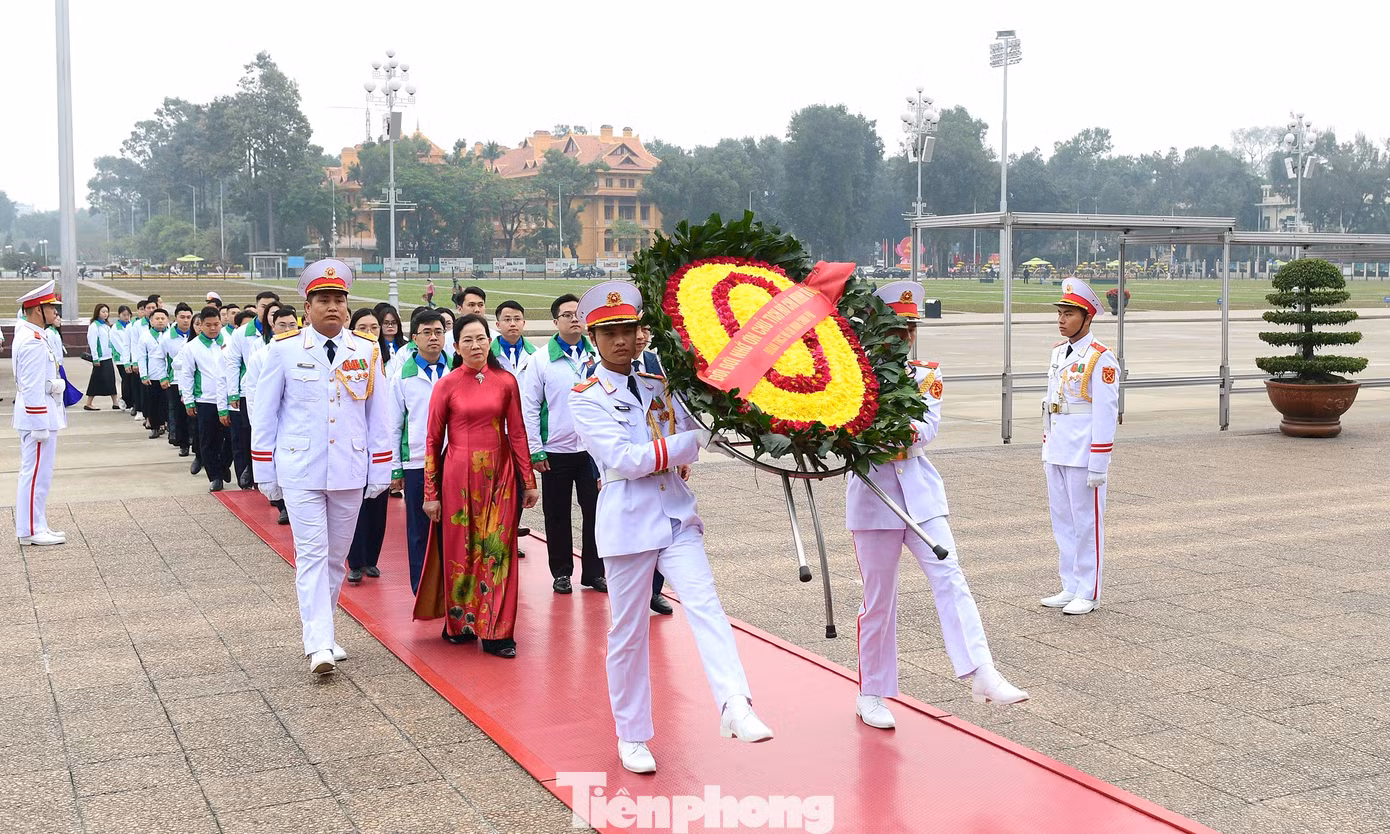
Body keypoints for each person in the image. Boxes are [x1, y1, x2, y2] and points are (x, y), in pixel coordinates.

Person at [569, 281, 772, 774]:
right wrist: (682, 448)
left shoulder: (659, 383)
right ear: (594, 338)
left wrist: (690, 439)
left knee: (706, 605)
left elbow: (692, 428)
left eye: (628, 329)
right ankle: (632, 734)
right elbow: (623, 458)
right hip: (628, 521)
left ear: (641, 332)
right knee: (629, 632)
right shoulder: (587, 396)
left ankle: (735, 704)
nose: (621, 340)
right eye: (609, 332)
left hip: (676, 513)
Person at [848, 282, 1028, 731]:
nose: (906, 335)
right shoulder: (852, 377)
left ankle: (981, 672)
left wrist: (883, 436)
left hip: (921, 495)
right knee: (878, 600)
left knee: (951, 578)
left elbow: (924, 429)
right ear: (877, 326)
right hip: (873, 497)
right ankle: (871, 692)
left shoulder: (925, 374)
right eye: (897, 326)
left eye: (910, 326)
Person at [252, 258, 395, 675]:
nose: (332, 307)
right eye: (323, 300)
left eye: (339, 300)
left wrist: (380, 469)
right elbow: (265, 413)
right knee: (312, 554)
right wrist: (265, 470)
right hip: (301, 467)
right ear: (307, 307)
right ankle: (318, 643)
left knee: (336, 556)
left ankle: (325, 632)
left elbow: (377, 414)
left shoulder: (366, 350)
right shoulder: (284, 349)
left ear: (347, 307)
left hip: (350, 466)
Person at [414, 313, 538, 657]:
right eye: (467, 340)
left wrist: (528, 481)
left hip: (500, 479)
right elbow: (432, 440)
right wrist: (431, 494)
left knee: (498, 553)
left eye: (481, 338)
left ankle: (499, 632)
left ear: (490, 340)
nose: (475, 345)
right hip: (457, 481)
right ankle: (462, 623)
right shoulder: (447, 385)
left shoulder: (506, 382)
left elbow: (517, 432)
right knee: (462, 553)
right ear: (456, 347)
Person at [1041, 277, 1120, 616]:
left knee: (1087, 523)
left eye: (1069, 313)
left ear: (1087, 318)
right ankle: (1070, 584)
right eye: (1060, 312)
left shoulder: (1100, 358)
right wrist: (1046, 444)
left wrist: (1099, 463)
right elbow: (1051, 403)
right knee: (1063, 521)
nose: (1061, 319)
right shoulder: (1059, 354)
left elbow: (1105, 412)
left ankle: (1088, 590)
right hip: (1057, 448)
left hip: (1083, 452)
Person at [520, 294, 605, 594]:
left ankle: (595, 572)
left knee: (595, 511)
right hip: (554, 451)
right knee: (556, 514)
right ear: (555, 322)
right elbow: (530, 407)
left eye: (578, 314)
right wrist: (535, 449)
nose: (574, 319)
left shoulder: (597, 355)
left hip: (591, 452)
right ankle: (561, 572)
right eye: (566, 315)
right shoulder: (540, 359)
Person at [387, 310, 449, 593]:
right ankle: (422, 588)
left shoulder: (458, 371)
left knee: (452, 527)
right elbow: (394, 424)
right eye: (427, 332)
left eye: (438, 331)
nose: (434, 337)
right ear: (414, 339)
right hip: (416, 462)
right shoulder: (403, 377)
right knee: (419, 529)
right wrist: (395, 467)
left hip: (454, 460)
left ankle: (451, 586)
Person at [12, 280, 69, 546]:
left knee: (39, 474)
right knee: (35, 474)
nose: (56, 311)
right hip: (38, 417)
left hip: (39, 413)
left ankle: (37, 524)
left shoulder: (32, 334)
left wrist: (53, 384)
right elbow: (32, 386)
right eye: (51, 307)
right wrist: (39, 423)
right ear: (38, 310)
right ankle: (30, 529)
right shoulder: (33, 340)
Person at [345, 308, 392, 584]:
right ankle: (355, 561)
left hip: (381, 441)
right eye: (362, 327)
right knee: (355, 506)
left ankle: (372, 559)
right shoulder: (350, 359)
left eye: (374, 327)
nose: (370, 333)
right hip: (355, 444)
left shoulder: (394, 357)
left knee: (378, 504)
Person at [244, 305, 297, 525]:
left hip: (294, 423)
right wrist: (258, 423)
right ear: (273, 327)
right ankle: (281, 504)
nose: (287, 329)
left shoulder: (304, 351)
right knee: (275, 464)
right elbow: (254, 392)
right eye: (282, 325)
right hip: (271, 421)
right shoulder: (261, 356)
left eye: (292, 325)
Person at [224, 291, 281, 489]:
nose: (267, 311)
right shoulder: (243, 333)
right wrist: (232, 392)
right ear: (256, 308)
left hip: (276, 392)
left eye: (271, 307)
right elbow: (232, 363)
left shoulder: (284, 332)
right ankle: (249, 472)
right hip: (248, 391)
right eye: (263, 306)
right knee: (249, 433)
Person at [178, 306, 230, 491]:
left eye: (216, 324)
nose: (213, 328)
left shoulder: (230, 342)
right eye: (208, 325)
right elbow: (187, 375)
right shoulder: (191, 347)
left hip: (230, 399)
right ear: (200, 326)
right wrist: (189, 399)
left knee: (231, 438)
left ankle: (223, 463)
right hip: (206, 400)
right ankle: (214, 476)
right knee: (208, 440)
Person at [161, 304, 195, 456]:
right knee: (179, 412)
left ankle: (194, 440)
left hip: (192, 380)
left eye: (189, 317)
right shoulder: (167, 337)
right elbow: (160, 358)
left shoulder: (195, 335)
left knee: (192, 414)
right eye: (182, 317)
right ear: (176, 318)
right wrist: (163, 376)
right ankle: (183, 443)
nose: (186, 320)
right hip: (175, 380)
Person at [137, 308, 172, 439]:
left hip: (168, 375)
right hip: (152, 374)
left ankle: (168, 425)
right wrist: (144, 374)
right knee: (153, 402)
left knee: (167, 402)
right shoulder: (145, 337)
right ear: (151, 321)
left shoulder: (170, 335)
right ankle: (155, 427)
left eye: (163, 318)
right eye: (157, 319)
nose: (160, 321)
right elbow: (141, 356)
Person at [83, 303, 120, 411]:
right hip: (100, 358)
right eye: (103, 312)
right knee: (95, 380)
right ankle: (89, 403)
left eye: (106, 312)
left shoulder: (105, 325)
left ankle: (115, 402)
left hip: (108, 357)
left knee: (111, 380)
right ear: (97, 312)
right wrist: (95, 357)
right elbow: (93, 342)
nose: (105, 314)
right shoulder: (94, 326)